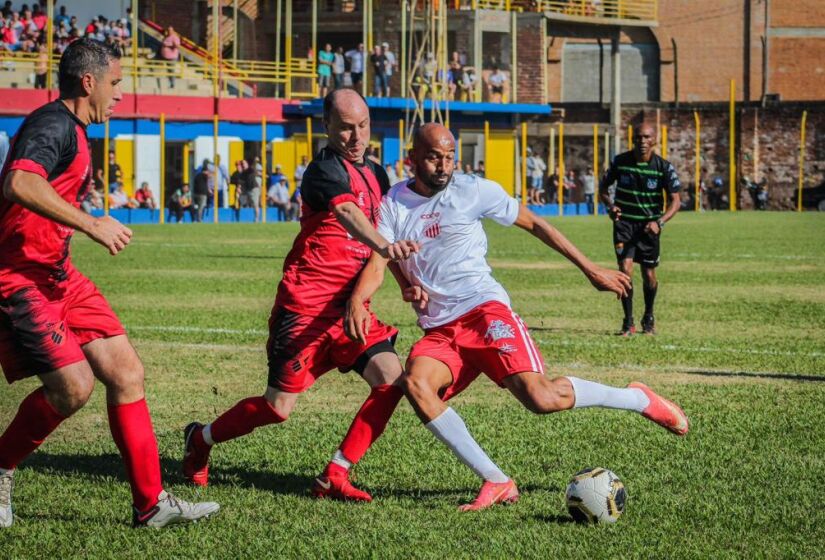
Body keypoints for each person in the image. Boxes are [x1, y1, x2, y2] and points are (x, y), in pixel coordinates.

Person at [344, 123, 689, 511]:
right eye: (433, 158)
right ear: (412, 158)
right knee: (416, 384)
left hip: (484, 310)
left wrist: (590, 269)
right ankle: (497, 480)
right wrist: (367, 297)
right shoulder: (394, 203)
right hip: (440, 327)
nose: (444, 166)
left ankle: (636, 398)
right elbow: (380, 257)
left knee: (542, 398)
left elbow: (536, 224)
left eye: (450, 157)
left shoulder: (473, 189)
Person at [0, 37, 218, 529]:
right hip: (19, 278)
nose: (120, 95)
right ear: (88, 82)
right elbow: (18, 182)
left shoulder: (75, 129)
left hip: (59, 275)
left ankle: (151, 505)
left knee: (126, 372)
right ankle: (1, 466)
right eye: (116, 84)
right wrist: (91, 222)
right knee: (72, 389)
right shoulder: (52, 123)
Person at [182, 89, 420, 502]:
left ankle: (336, 475)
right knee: (277, 408)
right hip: (305, 308)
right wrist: (384, 245)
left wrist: (402, 281)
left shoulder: (379, 174)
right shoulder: (322, 170)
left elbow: (382, 245)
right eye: (345, 127)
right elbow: (348, 214)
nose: (356, 136)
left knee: (392, 380)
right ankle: (200, 440)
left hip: (351, 308)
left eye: (362, 126)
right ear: (326, 126)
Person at [598, 123, 681, 336]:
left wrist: (659, 222)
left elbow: (676, 201)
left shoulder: (663, 167)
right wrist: (611, 207)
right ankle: (628, 322)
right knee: (625, 271)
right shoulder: (620, 162)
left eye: (646, 137)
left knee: (649, 275)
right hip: (624, 224)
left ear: (654, 140)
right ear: (632, 139)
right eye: (638, 137)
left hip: (648, 228)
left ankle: (649, 316)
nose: (642, 141)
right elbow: (603, 189)